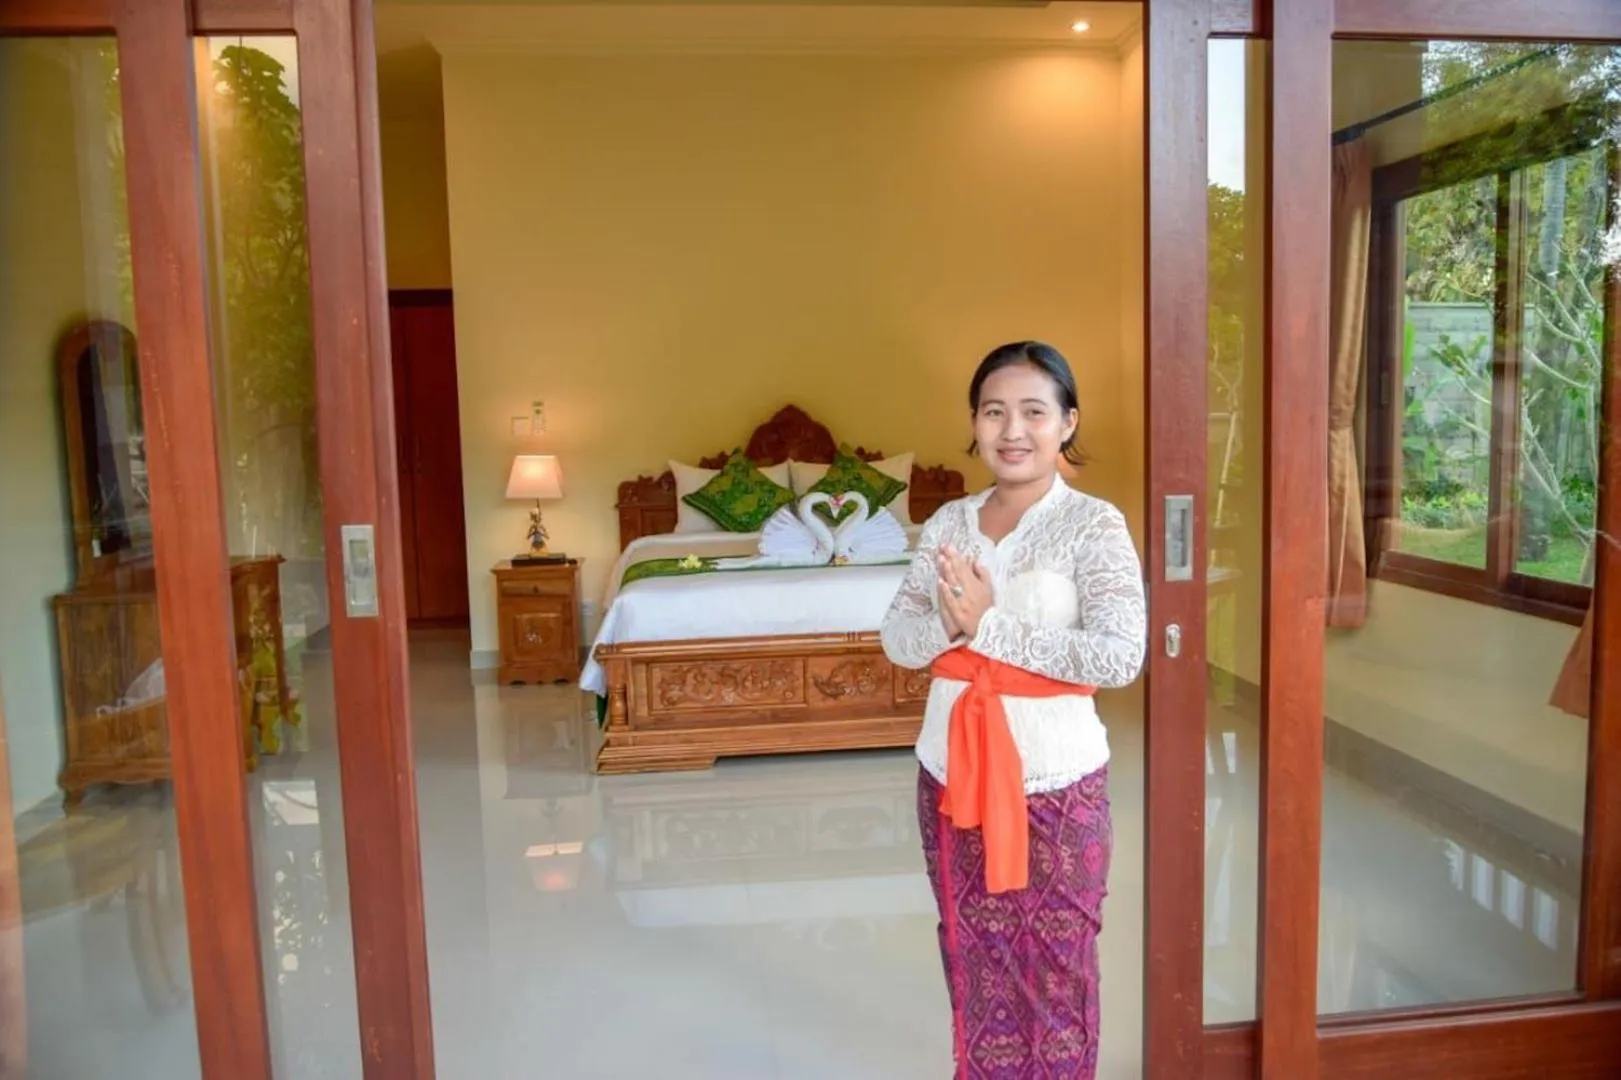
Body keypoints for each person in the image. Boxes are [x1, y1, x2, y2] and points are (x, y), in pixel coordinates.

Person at [879, 341, 1147, 1080]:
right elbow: (898, 640)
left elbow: (1119, 656)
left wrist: (987, 625)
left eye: (1033, 410)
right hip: (949, 775)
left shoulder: (1093, 526)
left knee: (1058, 961)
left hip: (1056, 783)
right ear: (973, 422)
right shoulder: (946, 525)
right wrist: (949, 620)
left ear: (1066, 423)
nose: (1012, 430)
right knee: (972, 952)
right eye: (994, 411)